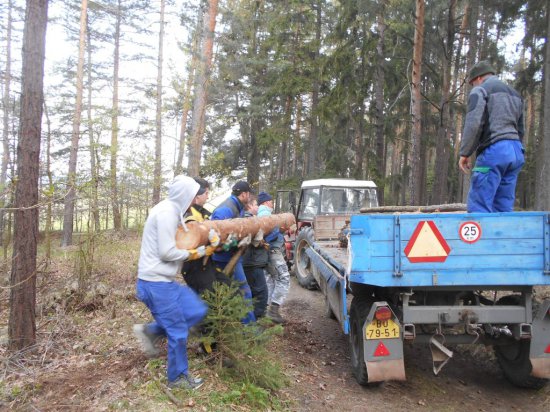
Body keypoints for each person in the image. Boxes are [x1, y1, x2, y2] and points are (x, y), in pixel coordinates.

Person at [133, 175, 208, 390]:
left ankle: (152, 331)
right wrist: (194, 253)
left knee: (195, 310)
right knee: (178, 331)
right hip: (155, 284)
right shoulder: (166, 212)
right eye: (193, 194)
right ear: (185, 194)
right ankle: (178, 378)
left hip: (165, 282)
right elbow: (166, 252)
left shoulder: (173, 210)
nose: (195, 200)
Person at [459, 60, 525, 213]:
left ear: (478, 78)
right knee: (503, 206)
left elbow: (474, 124)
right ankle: (502, 236)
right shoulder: (515, 94)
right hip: (516, 151)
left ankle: (481, 237)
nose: (473, 86)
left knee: (479, 205)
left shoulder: (480, 90)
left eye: (472, 83)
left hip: (495, 151)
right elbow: (520, 129)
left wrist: (465, 152)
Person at [210, 181, 256, 324]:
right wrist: (236, 242)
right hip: (224, 260)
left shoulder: (238, 207)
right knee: (244, 292)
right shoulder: (225, 210)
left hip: (233, 258)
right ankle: (250, 331)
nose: (250, 197)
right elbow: (216, 240)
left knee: (234, 293)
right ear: (244, 194)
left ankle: (235, 326)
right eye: (249, 194)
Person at [182, 177, 230, 295]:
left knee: (226, 284)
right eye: (206, 193)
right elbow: (190, 244)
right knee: (208, 296)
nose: (208, 197)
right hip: (194, 266)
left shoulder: (203, 214)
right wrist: (211, 245)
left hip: (206, 262)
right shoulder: (189, 215)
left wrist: (223, 243)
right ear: (197, 195)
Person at [257, 191, 290, 324]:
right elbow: (268, 234)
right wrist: (280, 230)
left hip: (266, 252)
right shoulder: (265, 214)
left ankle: (265, 310)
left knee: (269, 280)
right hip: (272, 251)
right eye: (271, 201)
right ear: (265, 202)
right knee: (284, 278)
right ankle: (273, 311)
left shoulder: (261, 213)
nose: (272, 203)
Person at [242, 196, 269, 319]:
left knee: (254, 290)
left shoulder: (248, 219)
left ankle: (252, 318)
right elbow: (255, 241)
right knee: (260, 291)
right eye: (256, 204)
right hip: (252, 261)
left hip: (250, 261)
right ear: (249, 206)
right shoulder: (249, 221)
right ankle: (256, 320)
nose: (258, 207)